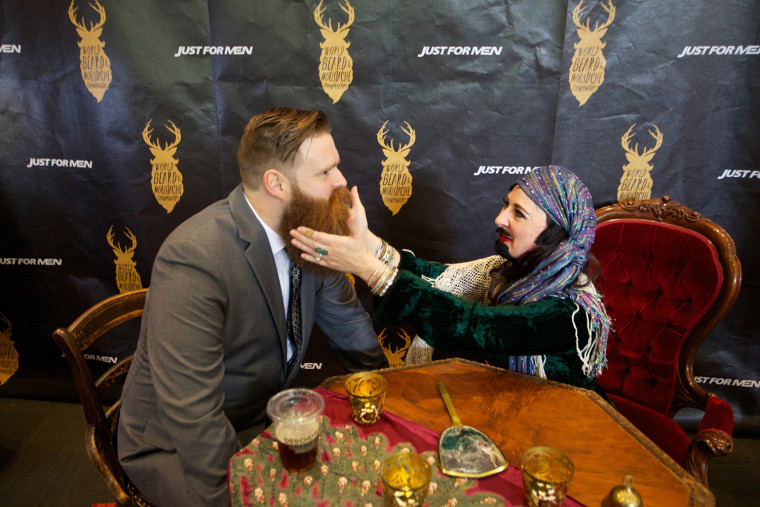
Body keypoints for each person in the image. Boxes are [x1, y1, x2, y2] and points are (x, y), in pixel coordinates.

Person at [117, 108, 387, 506]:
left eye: (338, 167)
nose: (341, 181)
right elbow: (194, 418)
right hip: (178, 447)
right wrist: (246, 496)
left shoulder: (312, 229)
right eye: (325, 172)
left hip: (264, 421)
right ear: (276, 183)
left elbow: (350, 328)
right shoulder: (193, 259)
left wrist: (388, 399)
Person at [290, 165, 612, 396]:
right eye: (506, 204)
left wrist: (368, 269)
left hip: (562, 430)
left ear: (555, 234)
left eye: (519, 214)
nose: (499, 218)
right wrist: (368, 242)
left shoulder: (570, 312)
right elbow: (438, 277)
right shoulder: (512, 271)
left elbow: (478, 327)